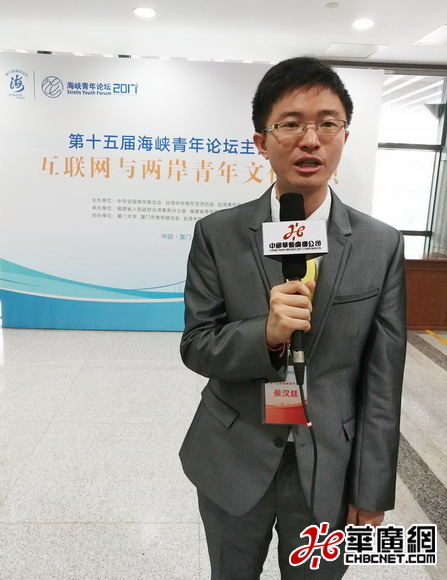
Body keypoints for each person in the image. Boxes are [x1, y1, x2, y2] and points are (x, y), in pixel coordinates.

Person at [179, 57, 407, 579]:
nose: (310, 140)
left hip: (329, 468)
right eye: (291, 124)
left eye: (327, 123)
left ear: (345, 136)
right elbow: (197, 345)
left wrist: (372, 487)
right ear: (261, 142)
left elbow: (383, 379)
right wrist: (266, 333)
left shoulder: (381, 245)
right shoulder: (218, 234)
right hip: (233, 457)